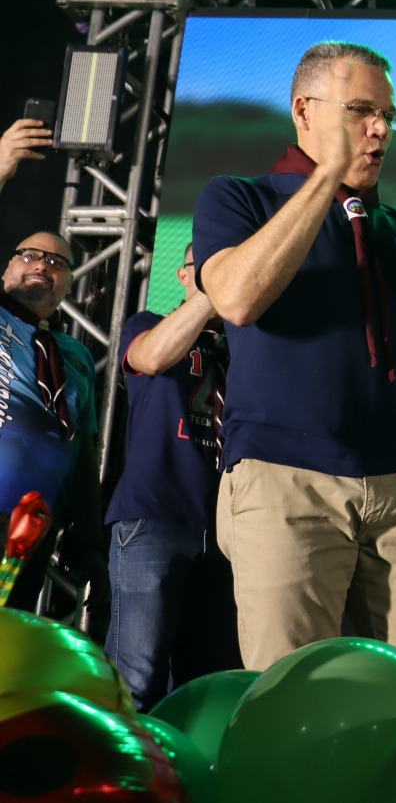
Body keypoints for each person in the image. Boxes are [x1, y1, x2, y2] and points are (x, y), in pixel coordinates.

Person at [191, 41, 396, 684]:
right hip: (284, 479)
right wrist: (325, 177)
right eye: (360, 111)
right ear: (305, 112)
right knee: (290, 694)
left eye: (388, 116)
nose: (379, 130)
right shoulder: (240, 199)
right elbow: (238, 299)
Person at [104, 244, 240, 710]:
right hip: (156, 517)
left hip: (226, 534)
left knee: (201, 689)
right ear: (185, 276)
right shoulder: (147, 324)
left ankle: (178, 782)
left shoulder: (245, 352)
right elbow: (153, 358)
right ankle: (119, 780)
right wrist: (210, 292)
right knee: (135, 679)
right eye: (206, 269)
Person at [0, 230, 103, 614]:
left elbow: (84, 454)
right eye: (29, 255)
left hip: (35, 530)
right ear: (7, 266)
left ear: (70, 284)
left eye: (58, 262)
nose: (43, 265)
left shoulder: (76, 356)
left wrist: (89, 545)